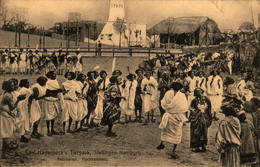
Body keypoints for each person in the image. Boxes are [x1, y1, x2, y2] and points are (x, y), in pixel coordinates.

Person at [157, 82, 188, 159]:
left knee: (165, 130)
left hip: (168, 115)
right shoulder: (182, 95)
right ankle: (173, 151)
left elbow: (163, 103)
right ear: (180, 88)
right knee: (177, 134)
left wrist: (168, 108)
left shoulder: (168, 93)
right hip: (176, 116)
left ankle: (162, 143)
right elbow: (184, 107)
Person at [0, 80, 26, 159]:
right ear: (8, 87)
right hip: (5, 118)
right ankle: (4, 154)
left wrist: (8, 112)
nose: (14, 86)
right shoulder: (8, 95)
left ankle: (5, 153)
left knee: (6, 135)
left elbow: (2, 106)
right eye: (11, 85)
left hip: (5, 115)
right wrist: (18, 100)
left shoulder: (5, 94)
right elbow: (12, 108)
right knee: (7, 136)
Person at [189, 88, 212, 152]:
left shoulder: (207, 99)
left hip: (204, 119)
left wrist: (209, 117)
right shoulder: (194, 100)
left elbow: (209, 109)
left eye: (200, 93)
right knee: (196, 132)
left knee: (203, 132)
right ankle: (196, 147)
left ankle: (203, 146)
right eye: (197, 93)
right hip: (197, 119)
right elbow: (191, 109)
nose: (200, 95)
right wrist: (195, 114)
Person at [43, 71, 62, 136]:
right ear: (50, 76)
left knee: (53, 115)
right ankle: (48, 130)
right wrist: (56, 91)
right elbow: (46, 92)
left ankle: (52, 129)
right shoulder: (47, 82)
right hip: (48, 101)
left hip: (54, 100)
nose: (55, 75)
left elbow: (57, 91)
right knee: (48, 116)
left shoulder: (55, 81)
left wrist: (58, 91)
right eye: (53, 74)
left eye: (55, 74)